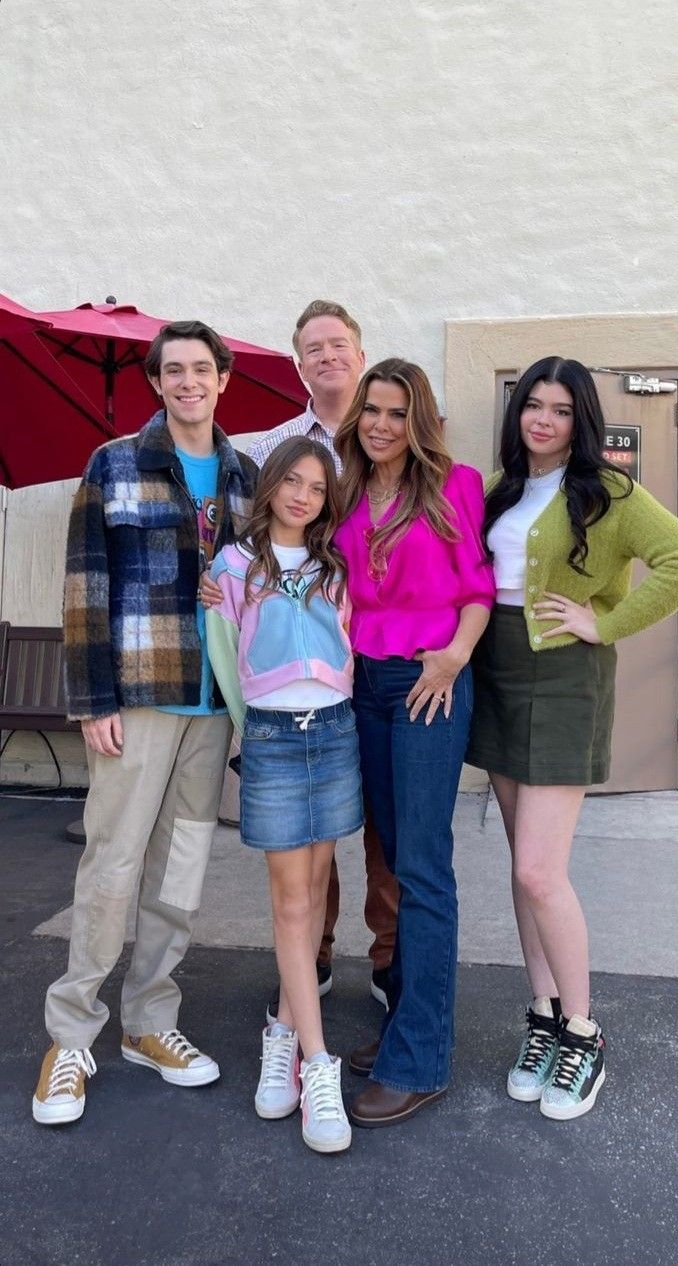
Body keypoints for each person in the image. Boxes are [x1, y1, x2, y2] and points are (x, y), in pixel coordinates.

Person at [466, 355, 678, 1121]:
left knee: (544, 872)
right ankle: (540, 1016)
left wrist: (603, 622)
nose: (543, 419)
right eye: (532, 406)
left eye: (560, 410)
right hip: (498, 672)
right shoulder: (501, 487)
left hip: (564, 681)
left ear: (582, 421)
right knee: (520, 867)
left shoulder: (607, 490)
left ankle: (583, 1032)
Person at [32, 321, 258, 1126]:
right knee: (113, 865)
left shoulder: (245, 476)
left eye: (203, 369)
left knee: (181, 874)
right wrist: (91, 699)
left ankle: (150, 1023)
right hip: (137, 700)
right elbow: (84, 585)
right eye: (174, 371)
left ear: (222, 379)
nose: (190, 382)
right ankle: (71, 1034)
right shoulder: (114, 463)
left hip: (212, 709)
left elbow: (257, 592)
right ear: (157, 383)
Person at [333, 358, 496, 1128]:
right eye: (373, 409)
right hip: (364, 684)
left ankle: (421, 1057)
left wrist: (458, 656)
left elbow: (476, 587)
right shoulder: (344, 490)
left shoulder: (455, 485)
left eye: (398, 412)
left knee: (424, 866)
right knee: (394, 857)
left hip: (431, 678)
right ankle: (404, 1021)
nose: (382, 424)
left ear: (419, 419)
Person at [206, 436, 363, 1153]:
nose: (303, 496)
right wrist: (254, 732)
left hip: (334, 733)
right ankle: (317, 1064)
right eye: (291, 482)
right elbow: (223, 655)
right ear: (269, 485)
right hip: (272, 737)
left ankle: (282, 1030)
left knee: (319, 885)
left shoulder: (335, 565)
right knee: (291, 900)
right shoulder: (233, 567)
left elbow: (349, 643)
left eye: (317, 488)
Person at [247, 300, 399, 1014]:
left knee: (384, 811)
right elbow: (250, 551)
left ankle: (390, 952)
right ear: (299, 361)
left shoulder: (388, 434)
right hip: (310, 660)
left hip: (384, 648)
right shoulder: (275, 444)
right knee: (314, 817)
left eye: (339, 343)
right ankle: (314, 949)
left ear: (359, 352)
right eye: (314, 347)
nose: (328, 356)